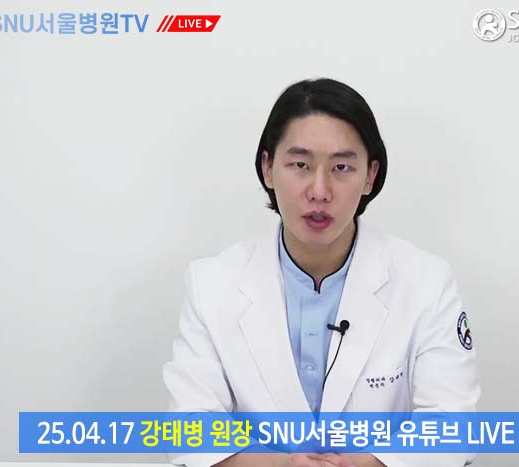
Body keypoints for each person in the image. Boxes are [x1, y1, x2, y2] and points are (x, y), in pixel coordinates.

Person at [163, 78, 480, 467]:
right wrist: (284, 466)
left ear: (370, 176)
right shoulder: (212, 284)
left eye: (341, 167)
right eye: (300, 165)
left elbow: (453, 427)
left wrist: (358, 465)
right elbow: (189, 430)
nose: (319, 190)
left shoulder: (426, 282)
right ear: (267, 168)